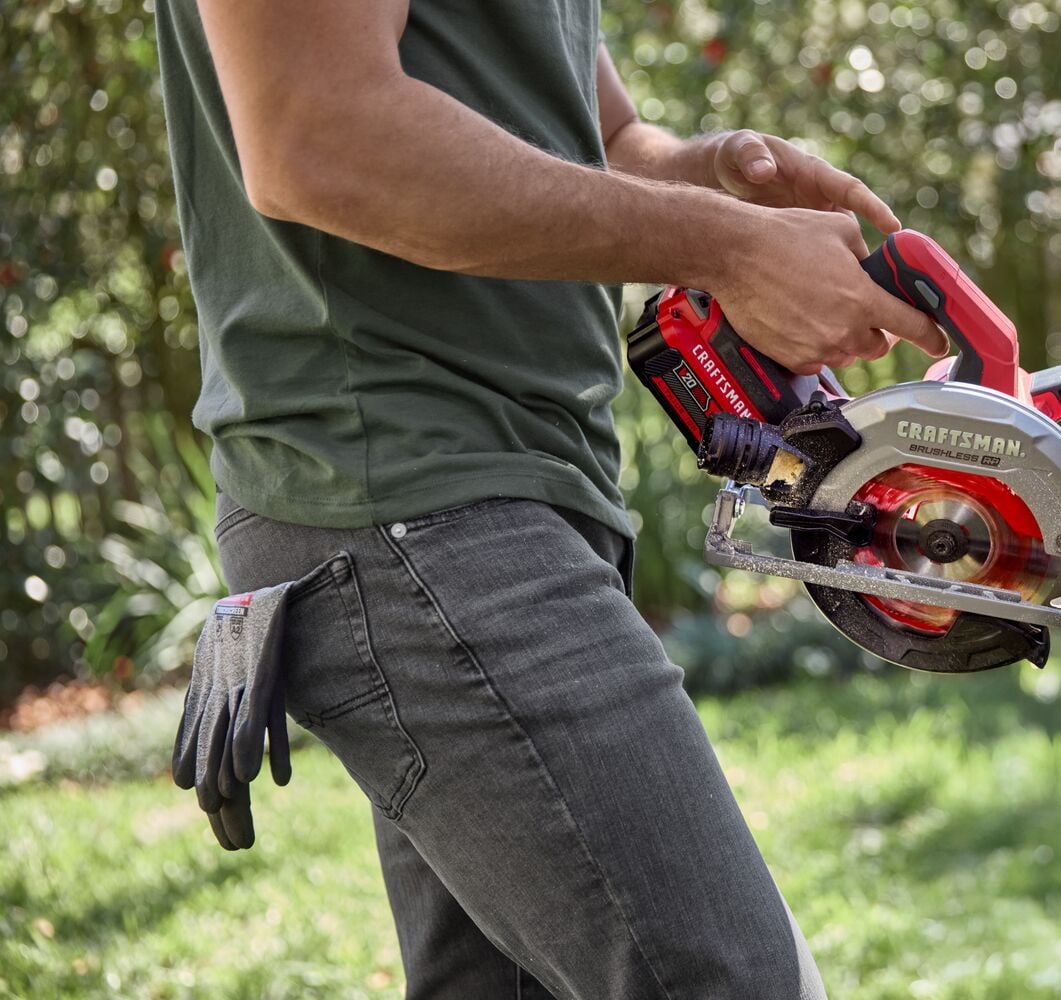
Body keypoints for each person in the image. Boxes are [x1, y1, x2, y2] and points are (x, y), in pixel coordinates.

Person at [156, 0, 945, 996]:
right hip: (408, 494)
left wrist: (714, 176)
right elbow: (317, 132)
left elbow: (599, 137)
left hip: (512, 490)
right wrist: (728, 249)